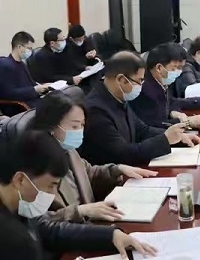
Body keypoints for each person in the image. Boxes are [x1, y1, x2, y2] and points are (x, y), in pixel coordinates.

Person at [0, 130, 156, 260]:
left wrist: (110, 235)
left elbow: (48, 230)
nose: (52, 195)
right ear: (20, 180)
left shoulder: (19, 205)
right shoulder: (7, 233)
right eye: (50, 186)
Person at [29, 92, 157, 223]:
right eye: (74, 126)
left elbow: (89, 173)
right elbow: (38, 222)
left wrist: (118, 170)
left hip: (88, 225)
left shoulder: (68, 150)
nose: (79, 131)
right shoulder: (35, 164)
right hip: (70, 232)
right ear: (51, 126)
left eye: (82, 125)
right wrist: (80, 211)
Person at [80, 51, 199, 166]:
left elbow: (142, 130)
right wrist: (165, 140)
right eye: (139, 81)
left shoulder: (118, 97)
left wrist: (177, 137)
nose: (141, 86)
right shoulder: (96, 110)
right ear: (121, 79)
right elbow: (123, 154)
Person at [129, 43, 200, 129]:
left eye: (181, 67)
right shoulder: (144, 89)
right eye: (175, 67)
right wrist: (186, 122)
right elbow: (152, 124)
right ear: (159, 68)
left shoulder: (162, 81)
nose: (179, 71)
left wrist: (173, 111)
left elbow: (171, 102)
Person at [0, 31, 49, 113]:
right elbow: (8, 93)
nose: (31, 51)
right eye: (29, 48)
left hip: (31, 100)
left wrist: (43, 87)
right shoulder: (5, 65)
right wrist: (35, 90)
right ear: (19, 47)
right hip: (20, 106)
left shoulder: (22, 64)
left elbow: (30, 84)